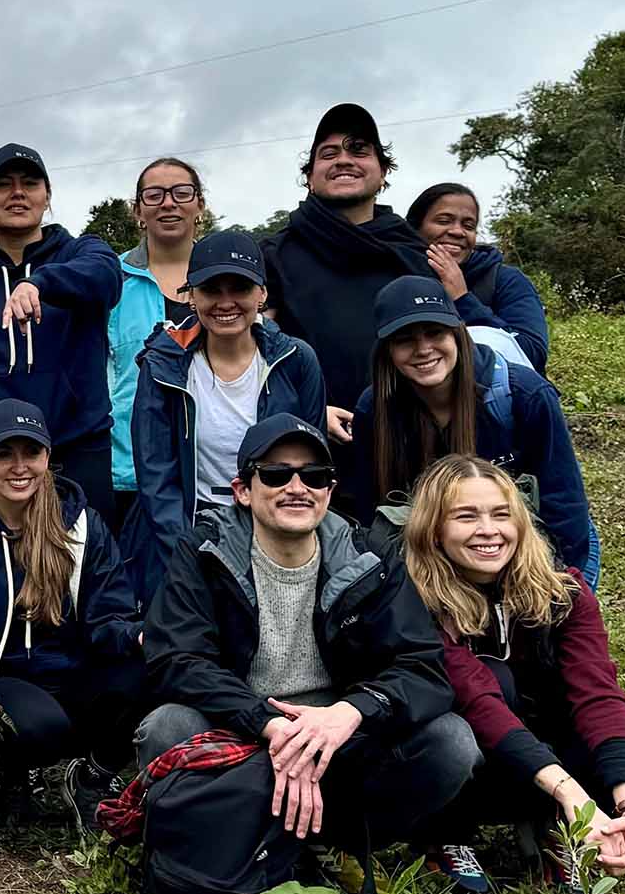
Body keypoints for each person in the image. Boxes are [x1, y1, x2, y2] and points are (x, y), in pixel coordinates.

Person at [140, 414, 477, 873]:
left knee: (452, 742)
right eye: (276, 474)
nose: (297, 486)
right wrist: (268, 724)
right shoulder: (204, 553)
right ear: (243, 490)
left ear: (329, 491)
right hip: (240, 735)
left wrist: (350, 712)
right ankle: (234, 839)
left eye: (314, 476)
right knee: (167, 727)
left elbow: (421, 667)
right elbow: (176, 659)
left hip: (337, 741)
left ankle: (334, 840)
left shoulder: (370, 558)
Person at [399, 458, 625, 894]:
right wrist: (572, 792)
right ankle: (445, 835)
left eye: (501, 514)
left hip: (541, 754)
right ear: (433, 530)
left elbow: (599, 693)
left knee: (582, 707)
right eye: (465, 516)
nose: (489, 530)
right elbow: (478, 702)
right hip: (470, 768)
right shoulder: (416, 603)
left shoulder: (565, 593)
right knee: (486, 693)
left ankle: (559, 828)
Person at [0, 401, 145, 830]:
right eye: (4, 454)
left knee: (151, 667)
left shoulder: (81, 524)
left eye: (32, 453)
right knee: (42, 726)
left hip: (72, 670)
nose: (19, 467)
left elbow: (108, 615)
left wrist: (137, 637)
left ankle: (91, 777)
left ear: (48, 456)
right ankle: (11, 777)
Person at [345, 277, 599, 587]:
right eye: (405, 339)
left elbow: (563, 498)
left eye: (435, 333)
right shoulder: (375, 409)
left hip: (536, 549)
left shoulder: (523, 394)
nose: (423, 349)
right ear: (387, 350)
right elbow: (371, 506)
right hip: (438, 560)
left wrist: (561, 581)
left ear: (457, 334)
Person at [124, 230, 326, 593]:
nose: (226, 302)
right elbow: (155, 476)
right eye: (212, 290)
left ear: (262, 294)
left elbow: (313, 465)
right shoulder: (162, 365)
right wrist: (188, 555)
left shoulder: (296, 361)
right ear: (191, 296)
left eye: (241, 288)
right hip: (191, 529)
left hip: (276, 531)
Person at [0, 144, 121, 511]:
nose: (17, 193)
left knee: (86, 563)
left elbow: (106, 277)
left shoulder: (84, 253)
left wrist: (40, 283)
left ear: (47, 196)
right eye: (2, 184)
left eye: (30, 183)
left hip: (79, 447)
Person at [260, 103, 431, 439]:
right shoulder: (274, 255)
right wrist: (307, 409)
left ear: (382, 174)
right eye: (328, 153)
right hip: (309, 448)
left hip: (412, 439)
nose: (343, 159)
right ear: (309, 177)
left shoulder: (415, 254)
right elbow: (252, 353)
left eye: (359, 150)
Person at [106, 157, 205, 534]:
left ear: (200, 206)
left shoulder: (225, 280)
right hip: (128, 467)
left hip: (212, 466)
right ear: (137, 211)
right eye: (154, 195)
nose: (168, 203)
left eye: (182, 192)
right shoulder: (113, 278)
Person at [406, 182, 551, 375]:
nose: (458, 232)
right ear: (415, 228)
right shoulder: (398, 278)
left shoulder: (505, 280)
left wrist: (462, 299)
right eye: (443, 221)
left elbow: (531, 353)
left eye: (468, 225)